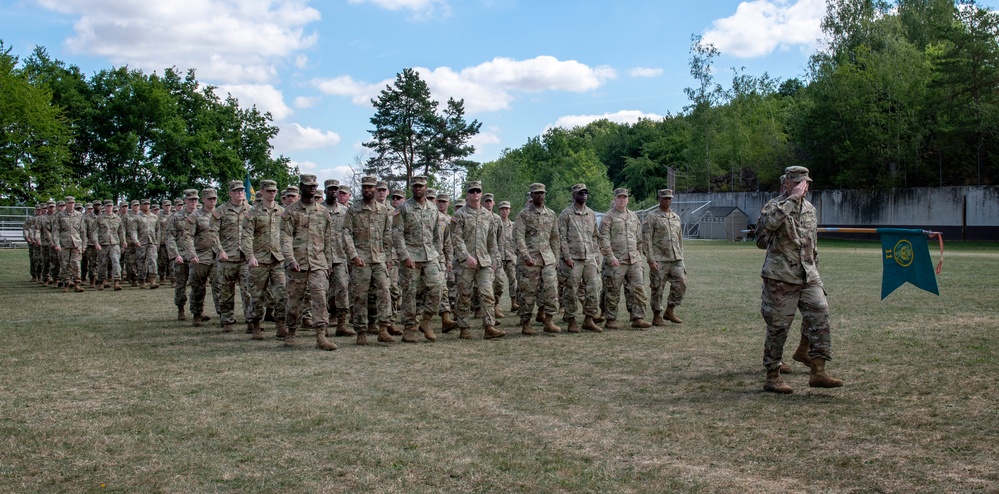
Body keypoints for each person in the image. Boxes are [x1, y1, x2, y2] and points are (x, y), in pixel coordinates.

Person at [759, 166, 843, 394]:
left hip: (808, 275)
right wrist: (792, 199)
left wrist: (815, 269)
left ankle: (818, 370)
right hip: (781, 276)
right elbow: (767, 225)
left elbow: (811, 243)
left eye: (805, 183)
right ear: (787, 183)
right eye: (797, 183)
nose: (802, 187)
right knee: (779, 328)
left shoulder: (810, 210)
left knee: (820, 315)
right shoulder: (774, 206)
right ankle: (773, 375)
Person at [280, 174, 338, 350]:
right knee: (294, 299)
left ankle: (321, 336)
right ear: (301, 187)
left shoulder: (323, 212)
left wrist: (328, 263)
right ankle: (291, 332)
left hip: (318, 263)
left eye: (314, 186)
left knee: (320, 298)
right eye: (308, 185)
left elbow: (328, 239)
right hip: (297, 263)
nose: (312, 188)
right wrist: (290, 259)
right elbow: (286, 238)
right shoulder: (291, 211)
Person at [342, 176, 395, 345]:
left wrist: (388, 256)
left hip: (379, 259)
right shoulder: (354, 210)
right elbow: (346, 233)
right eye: (365, 187)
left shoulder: (383, 210)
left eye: (371, 187)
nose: (368, 190)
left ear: (375, 189)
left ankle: (383, 329)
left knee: (384, 292)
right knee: (360, 296)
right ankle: (361, 331)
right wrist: (353, 255)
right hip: (361, 259)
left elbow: (387, 234)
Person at [391, 177, 443, 343]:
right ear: (411, 188)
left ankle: (426, 321)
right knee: (409, 294)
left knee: (437, 287)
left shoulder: (433, 208)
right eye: (415, 186)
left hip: (430, 255)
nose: (418, 189)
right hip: (411, 256)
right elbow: (397, 234)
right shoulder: (403, 208)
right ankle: (409, 328)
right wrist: (404, 256)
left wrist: (438, 253)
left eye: (421, 186)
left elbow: (436, 235)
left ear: (426, 187)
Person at [450, 181, 504, 340]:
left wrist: (494, 259)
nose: (475, 194)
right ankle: (464, 328)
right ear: (467, 194)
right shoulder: (460, 215)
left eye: (477, 191)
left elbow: (491, 241)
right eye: (472, 191)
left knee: (488, 294)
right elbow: (456, 238)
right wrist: (466, 256)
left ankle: (489, 326)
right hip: (465, 263)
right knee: (464, 295)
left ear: (481, 193)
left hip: (484, 262)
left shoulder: (488, 216)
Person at [598, 188, 652, 329]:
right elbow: (603, 239)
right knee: (612, 291)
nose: (622, 199)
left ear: (627, 199)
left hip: (633, 260)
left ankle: (638, 318)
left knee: (638, 289)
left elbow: (638, 239)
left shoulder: (633, 216)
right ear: (615, 199)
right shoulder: (608, 217)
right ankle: (610, 319)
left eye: (624, 197)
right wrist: (610, 257)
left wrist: (638, 256)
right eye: (619, 197)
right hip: (616, 261)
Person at [241, 179, 288, 340]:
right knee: (257, 295)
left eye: (274, 191)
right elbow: (246, 236)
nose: (272, 193)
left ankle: (281, 324)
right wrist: (250, 256)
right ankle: (255, 324)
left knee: (282, 293)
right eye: (268, 191)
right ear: (261, 191)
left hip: (278, 259)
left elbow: (287, 235)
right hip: (259, 259)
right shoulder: (253, 213)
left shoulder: (281, 211)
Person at [514, 183, 561, 335]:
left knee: (551, 289)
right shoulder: (524, 214)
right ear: (531, 195)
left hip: (548, 259)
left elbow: (554, 238)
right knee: (528, 292)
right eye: (537, 193)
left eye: (542, 193)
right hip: (531, 260)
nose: (540, 195)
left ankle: (548, 320)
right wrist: (525, 256)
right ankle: (526, 323)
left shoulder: (551, 214)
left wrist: (556, 258)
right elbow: (519, 237)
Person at [557, 183, 604, 333]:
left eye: (585, 192)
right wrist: (567, 257)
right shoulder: (566, 214)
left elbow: (595, 235)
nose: (583, 194)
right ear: (574, 195)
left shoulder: (590, 214)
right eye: (580, 192)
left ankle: (589, 319)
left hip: (589, 257)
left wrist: (596, 254)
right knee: (571, 290)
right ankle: (571, 320)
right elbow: (561, 238)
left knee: (593, 288)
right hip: (573, 259)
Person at [642, 189, 686, 326]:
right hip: (659, 259)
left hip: (676, 258)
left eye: (669, 198)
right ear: (659, 199)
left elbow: (679, 239)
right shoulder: (652, 217)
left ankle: (670, 310)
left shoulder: (676, 217)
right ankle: (657, 316)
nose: (667, 201)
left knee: (681, 283)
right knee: (657, 288)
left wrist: (681, 257)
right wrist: (650, 259)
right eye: (664, 198)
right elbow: (646, 239)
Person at [212, 180, 252, 333]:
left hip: (245, 257)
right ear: (230, 193)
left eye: (241, 190)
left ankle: (251, 320)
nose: (239, 193)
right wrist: (219, 250)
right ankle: (227, 320)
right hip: (227, 257)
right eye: (236, 191)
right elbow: (212, 233)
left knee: (248, 290)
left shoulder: (250, 210)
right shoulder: (221, 211)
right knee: (226, 291)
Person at [53, 196, 90, 292]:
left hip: (76, 243)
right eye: (69, 203)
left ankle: (77, 283)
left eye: (73, 203)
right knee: (65, 264)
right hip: (64, 243)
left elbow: (83, 231)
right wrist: (56, 243)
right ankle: (66, 283)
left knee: (76, 264)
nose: (71, 204)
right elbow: (56, 231)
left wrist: (84, 245)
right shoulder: (59, 215)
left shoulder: (79, 215)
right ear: (66, 204)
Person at [94, 199, 126, 290]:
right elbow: (95, 232)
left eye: (111, 206)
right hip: (103, 243)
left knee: (116, 262)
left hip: (115, 243)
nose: (109, 208)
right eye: (107, 206)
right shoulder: (99, 219)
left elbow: (121, 232)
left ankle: (116, 282)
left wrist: (123, 243)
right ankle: (101, 281)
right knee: (102, 263)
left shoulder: (117, 218)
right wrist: (96, 243)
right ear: (104, 207)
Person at [130, 199, 161, 289]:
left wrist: (157, 242)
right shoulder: (137, 218)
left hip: (152, 242)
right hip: (141, 243)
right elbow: (134, 230)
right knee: (141, 262)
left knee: (152, 260)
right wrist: (135, 240)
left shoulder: (154, 217)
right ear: (141, 205)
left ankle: (152, 280)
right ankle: (142, 280)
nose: (147, 205)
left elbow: (158, 230)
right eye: (145, 204)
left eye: (148, 204)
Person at [497, 201, 519, 314]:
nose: (505, 211)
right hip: (499, 257)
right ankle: (497, 305)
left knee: (513, 280)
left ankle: (514, 302)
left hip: (511, 257)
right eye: (502, 209)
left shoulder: (514, 226)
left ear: (509, 210)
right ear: (499, 210)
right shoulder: (496, 224)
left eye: (507, 209)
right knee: (498, 281)